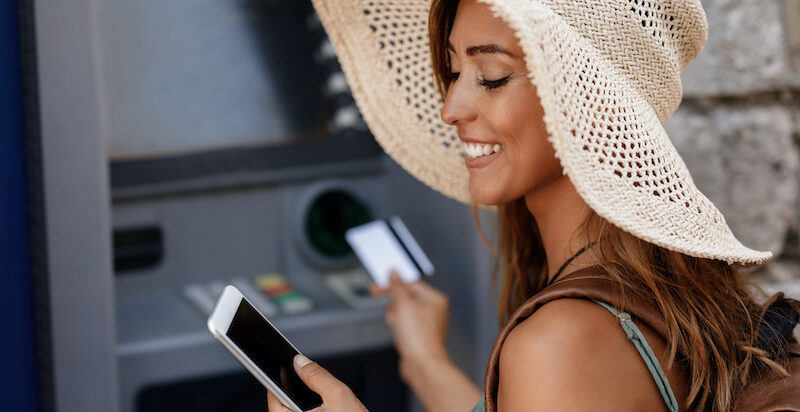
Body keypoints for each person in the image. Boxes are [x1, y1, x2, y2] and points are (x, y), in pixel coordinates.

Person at [268, 0, 798, 411]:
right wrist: (423, 358)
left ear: (589, 97)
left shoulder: (561, 342)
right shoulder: (653, 285)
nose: (451, 107)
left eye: (492, 77)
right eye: (453, 71)